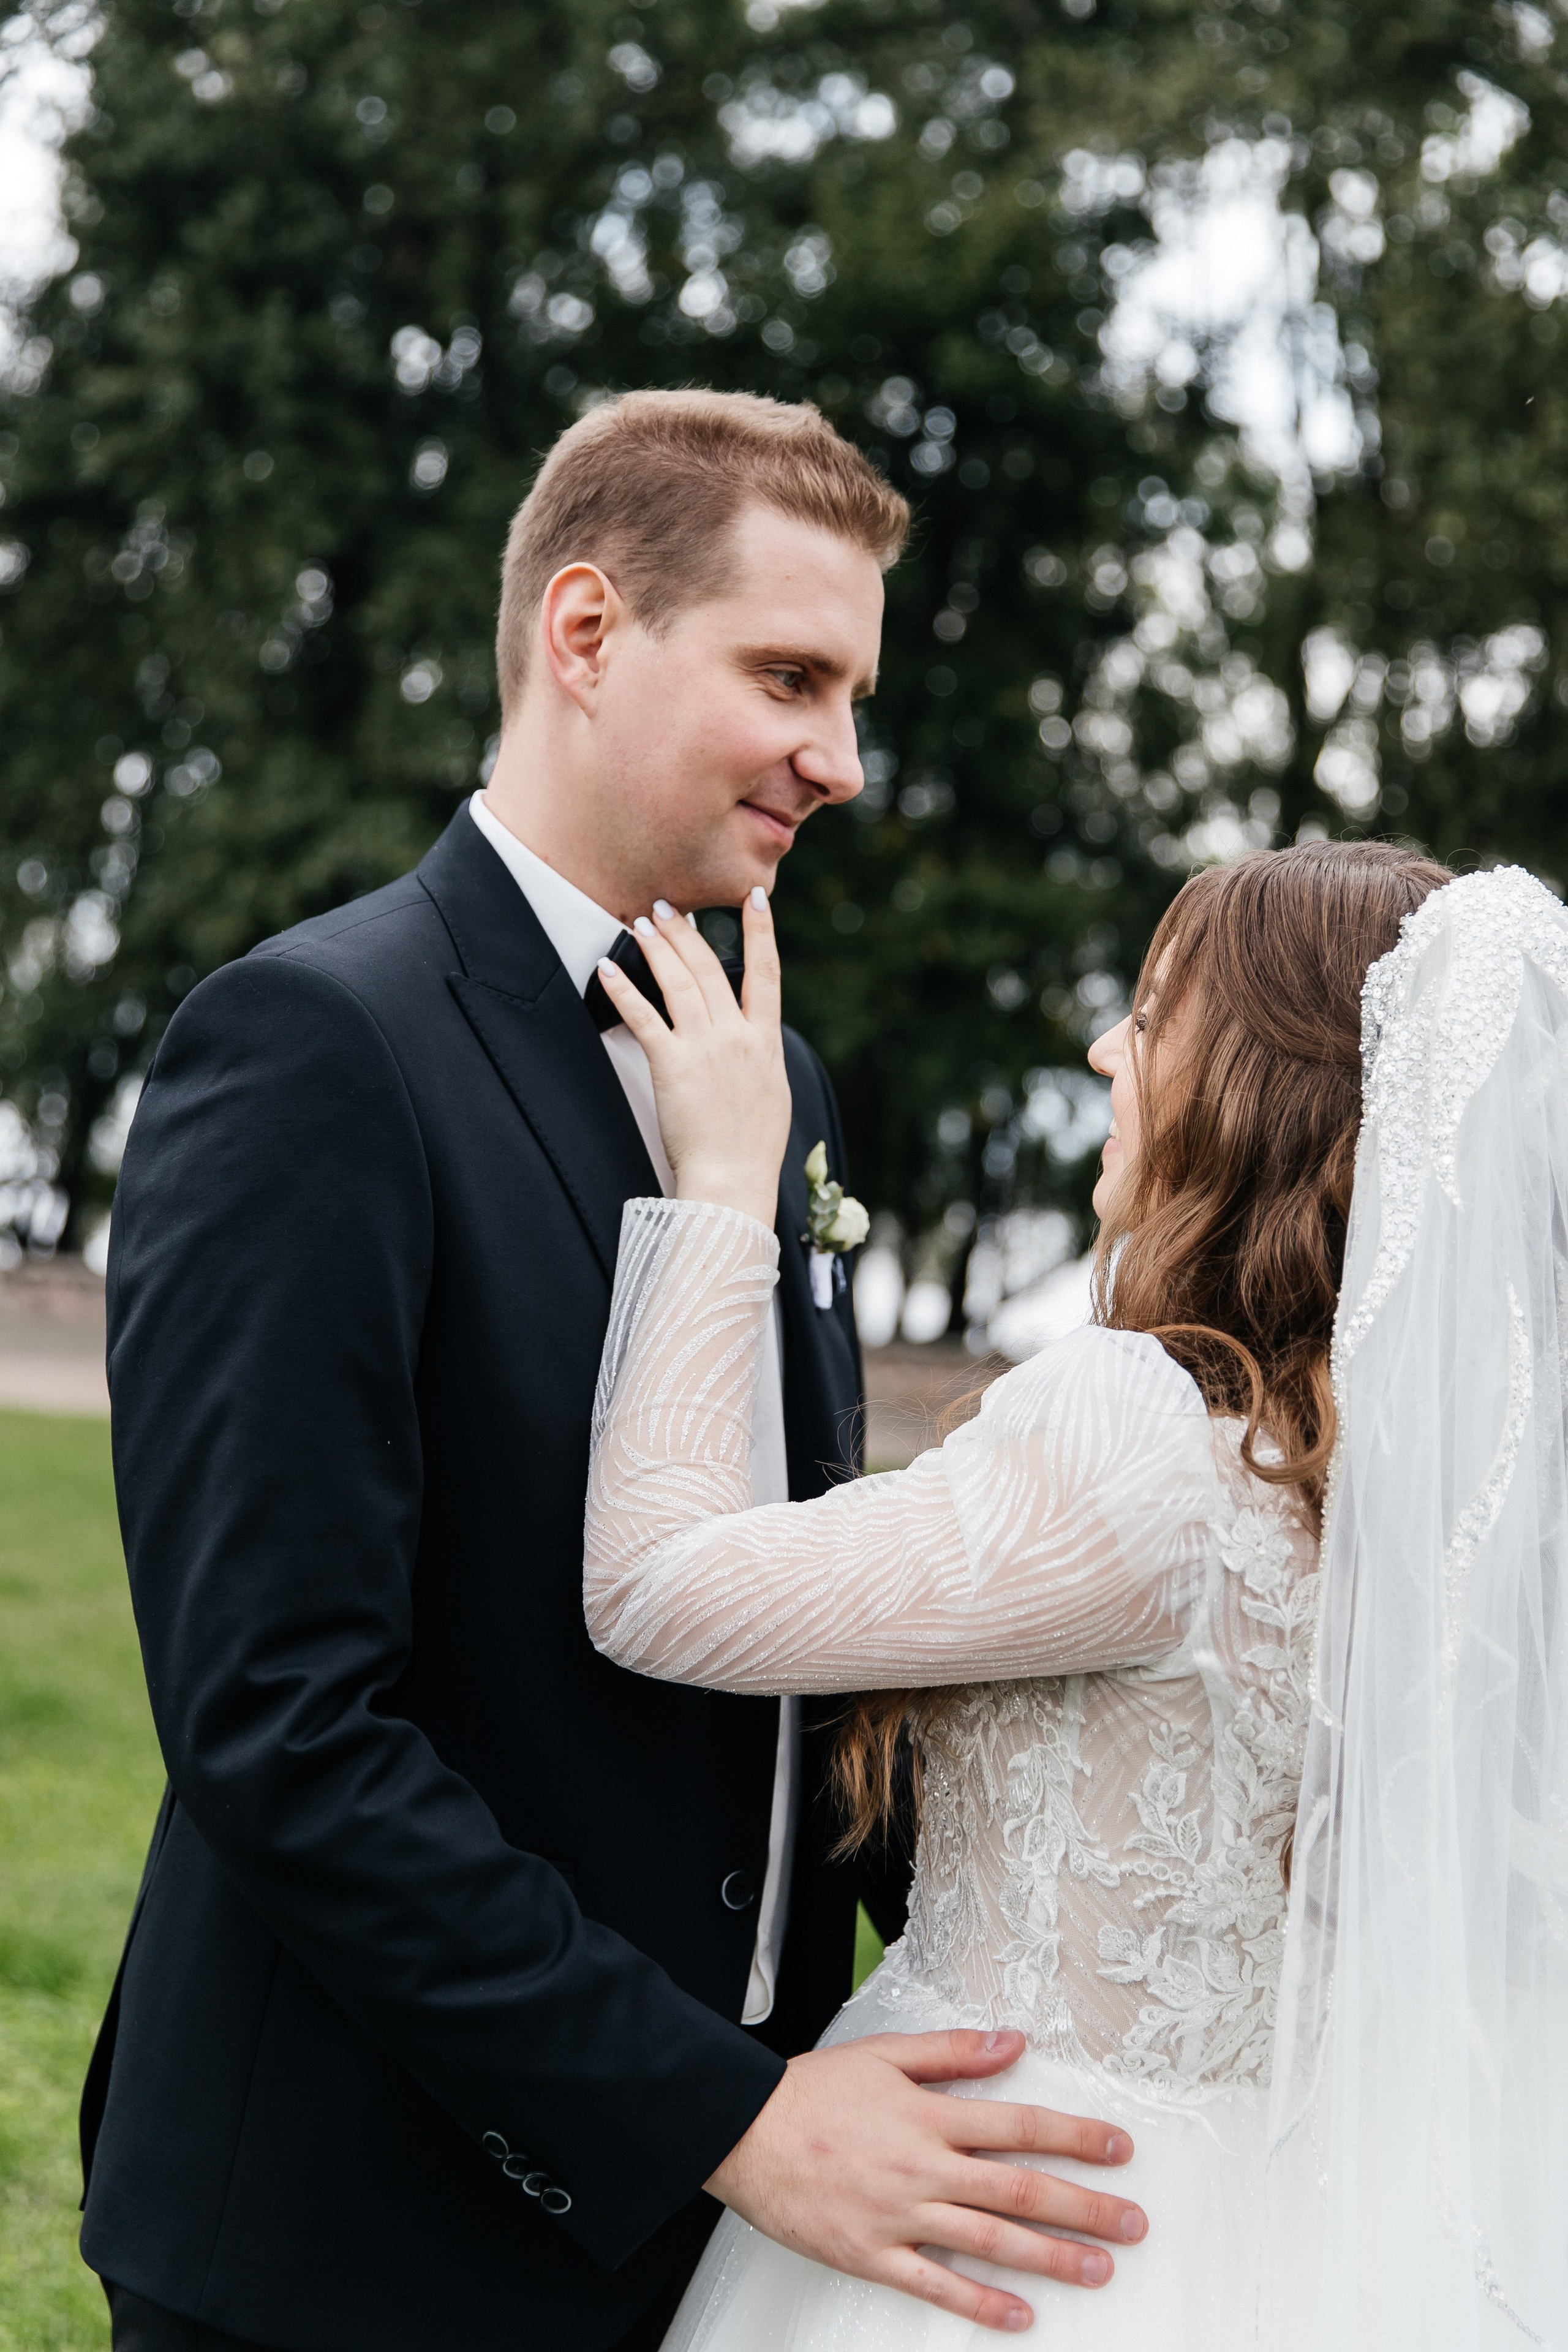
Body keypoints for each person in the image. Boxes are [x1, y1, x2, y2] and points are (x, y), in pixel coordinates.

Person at [81, 390, 1139, 2352]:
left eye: (856, 693)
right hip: (359, 2239)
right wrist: (717, 2116)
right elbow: (280, 1731)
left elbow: (795, 1631)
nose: (842, 760)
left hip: (745, 2237)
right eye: (793, 677)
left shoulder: (776, 1075)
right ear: (586, 633)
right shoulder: (316, 1047)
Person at [584, 835, 1493, 2344]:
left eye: (1149, 1015)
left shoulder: (1143, 1436)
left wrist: (727, 1183)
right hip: (1257, 2227)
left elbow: (659, 1587)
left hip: (997, 2228)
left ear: (1254, 1085)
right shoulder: (1406, 1487)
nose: (1102, 1050)